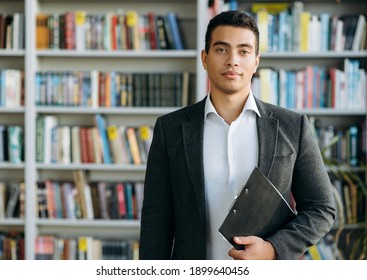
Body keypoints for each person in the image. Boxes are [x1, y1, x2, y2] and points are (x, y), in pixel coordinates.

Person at [139, 10, 335, 260]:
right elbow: (156, 220)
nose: (233, 60)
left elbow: (321, 209)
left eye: (243, 51)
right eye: (222, 49)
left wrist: (274, 249)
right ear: (205, 58)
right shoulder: (171, 129)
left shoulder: (292, 127)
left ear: (256, 61)